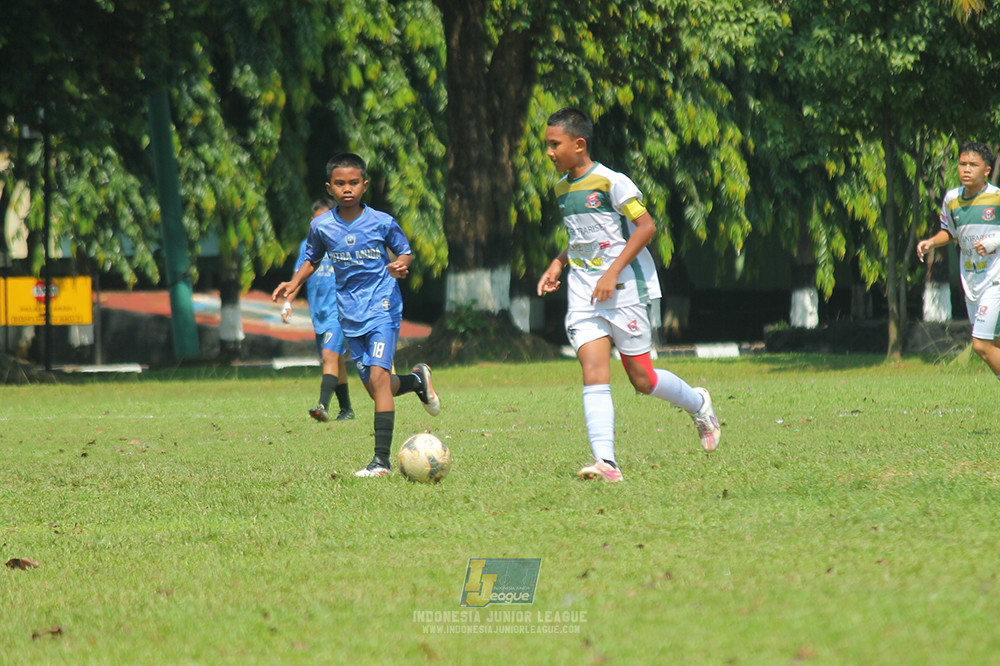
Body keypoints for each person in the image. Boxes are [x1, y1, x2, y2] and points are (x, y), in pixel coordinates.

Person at [536, 107, 721, 482]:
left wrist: (613, 272)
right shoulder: (561, 188)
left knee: (642, 380)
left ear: (579, 144)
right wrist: (558, 263)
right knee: (593, 372)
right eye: (548, 145)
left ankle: (698, 403)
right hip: (584, 295)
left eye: (555, 144)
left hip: (625, 292)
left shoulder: (612, 182)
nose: (549, 152)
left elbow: (645, 227)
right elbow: (581, 238)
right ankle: (606, 462)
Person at [272, 153, 440, 477]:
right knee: (378, 388)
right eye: (339, 183)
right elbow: (312, 259)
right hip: (349, 314)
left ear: (364, 185)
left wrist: (400, 265)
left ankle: (381, 462)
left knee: (378, 379)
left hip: (382, 306)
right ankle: (417, 381)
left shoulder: (381, 221)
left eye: (353, 183)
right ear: (329, 187)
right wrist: (293, 284)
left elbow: (405, 252)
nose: (347, 189)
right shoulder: (321, 226)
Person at [917, 141, 1000, 378]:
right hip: (971, 282)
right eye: (962, 164)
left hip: (995, 280)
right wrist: (932, 242)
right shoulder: (952, 199)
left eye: (973, 164)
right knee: (995, 343)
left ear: (986, 170)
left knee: (981, 345)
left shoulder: (996, 198)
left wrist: (993, 242)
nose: (966, 169)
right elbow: (950, 232)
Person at [279, 198, 355, 422]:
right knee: (335, 360)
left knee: (329, 356)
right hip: (319, 313)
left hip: (339, 312)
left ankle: (323, 406)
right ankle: (346, 409)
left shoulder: (344, 243)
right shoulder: (307, 246)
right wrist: (287, 302)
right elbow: (298, 277)